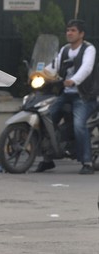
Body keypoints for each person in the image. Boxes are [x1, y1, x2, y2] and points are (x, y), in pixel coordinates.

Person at [35, 19, 98, 175]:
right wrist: (40, 74)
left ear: (81, 34)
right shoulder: (64, 50)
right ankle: (47, 159)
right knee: (46, 118)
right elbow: (53, 66)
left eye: (73, 30)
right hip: (65, 94)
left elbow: (87, 68)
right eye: (68, 30)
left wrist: (73, 80)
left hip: (84, 96)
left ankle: (87, 162)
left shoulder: (89, 49)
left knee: (78, 125)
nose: (69, 33)